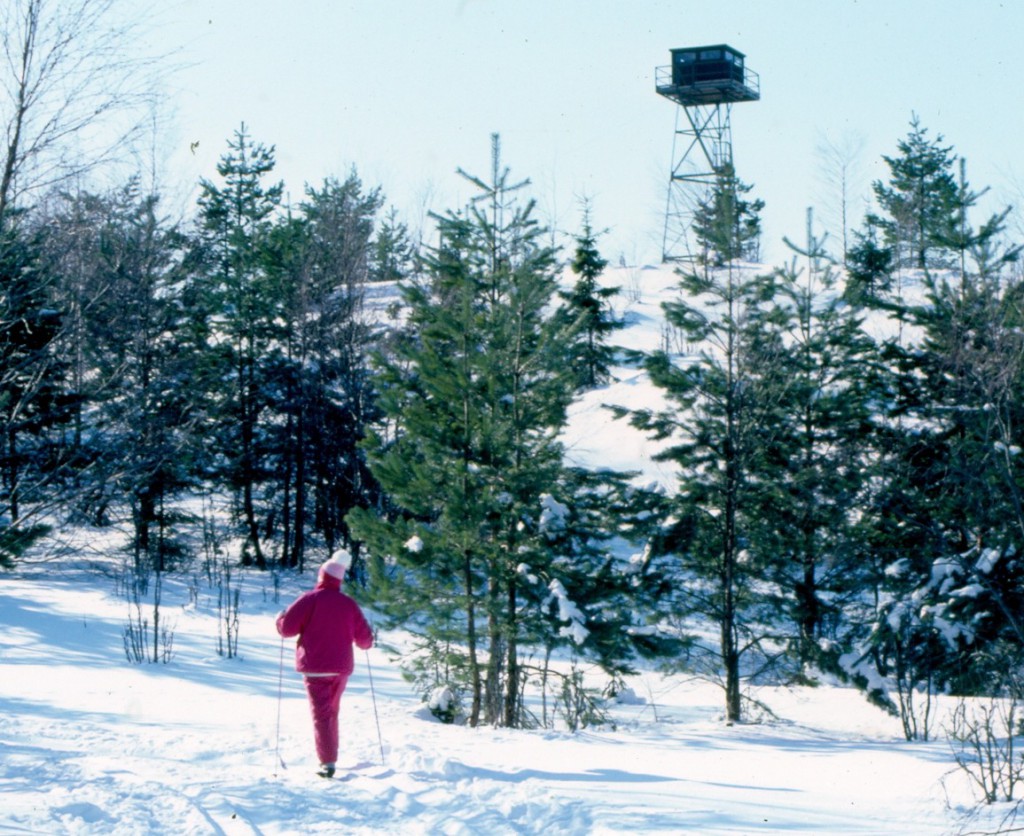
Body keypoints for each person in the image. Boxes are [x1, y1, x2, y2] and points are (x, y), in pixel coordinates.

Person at [276, 550, 374, 778]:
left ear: (321, 576)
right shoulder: (349, 604)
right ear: (338, 580)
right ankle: (329, 756)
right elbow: (365, 641)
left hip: (315, 667)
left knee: (322, 714)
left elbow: (287, 629)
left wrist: (279, 619)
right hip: (341, 669)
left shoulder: (309, 599)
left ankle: (327, 762)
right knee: (330, 712)